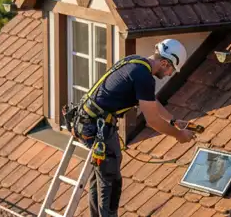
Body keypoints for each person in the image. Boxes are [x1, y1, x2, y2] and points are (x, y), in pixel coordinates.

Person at [80, 39, 195, 217]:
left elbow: (151, 101)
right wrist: (178, 135)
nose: (170, 73)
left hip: (88, 121)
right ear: (164, 62)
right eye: (171, 69)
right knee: (111, 180)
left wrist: (172, 121)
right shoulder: (144, 77)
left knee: (101, 177)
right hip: (97, 127)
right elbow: (153, 120)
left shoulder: (135, 62)